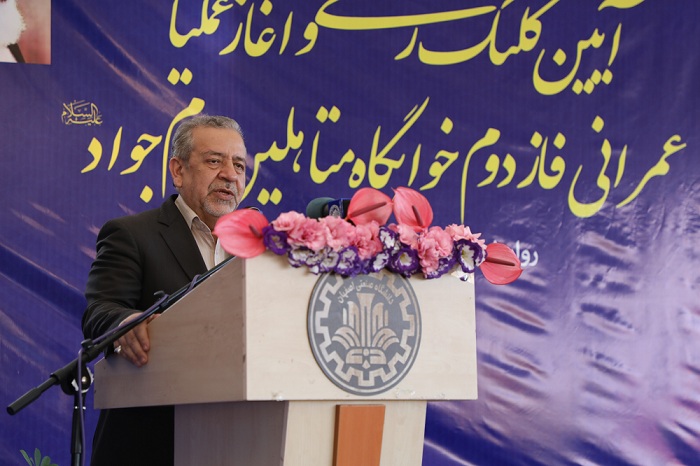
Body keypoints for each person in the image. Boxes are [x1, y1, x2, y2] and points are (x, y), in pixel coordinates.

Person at [82, 114, 247, 466]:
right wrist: (125, 323)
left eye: (239, 165)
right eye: (214, 161)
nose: (230, 175)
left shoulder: (260, 249)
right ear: (178, 170)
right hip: (149, 442)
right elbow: (100, 310)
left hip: (238, 440)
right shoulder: (132, 234)